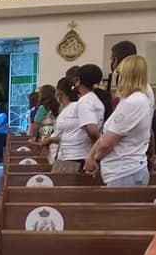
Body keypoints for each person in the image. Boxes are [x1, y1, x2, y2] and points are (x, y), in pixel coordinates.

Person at [85, 56, 152, 186]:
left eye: (119, 73)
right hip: (121, 171)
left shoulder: (134, 102)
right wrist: (90, 155)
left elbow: (108, 142)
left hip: (125, 172)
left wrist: (94, 159)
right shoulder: (129, 100)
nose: (117, 77)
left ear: (126, 75)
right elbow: (106, 134)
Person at [37, 77, 89, 173]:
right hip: (62, 154)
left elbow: (74, 135)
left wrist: (49, 139)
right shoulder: (65, 109)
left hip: (73, 156)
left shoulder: (75, 107)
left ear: (59, 92)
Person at [75, 64, 108, 142]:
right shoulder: (93, 98)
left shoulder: (85, 101)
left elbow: (92, 132)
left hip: (83, 147)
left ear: (78, 80)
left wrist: (97, 146)